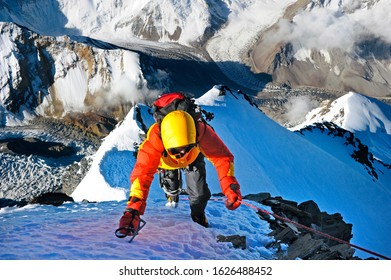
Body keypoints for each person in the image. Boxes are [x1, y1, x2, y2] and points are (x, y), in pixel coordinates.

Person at [118, 95, 242, 234]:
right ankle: (172, 193)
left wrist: (230, 187)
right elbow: (142, 174)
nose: (182, 153)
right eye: (176, 150)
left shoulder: (201, 130)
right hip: (169, 162)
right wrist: (133, 210)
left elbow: (222, 158)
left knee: (199, 194)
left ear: (193, 135)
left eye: (185, 147)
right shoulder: (155, 138)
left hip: (191, 157)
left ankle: (198, 215)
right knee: (172, 187)